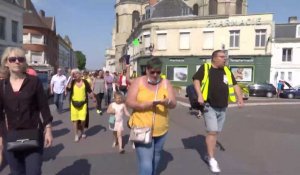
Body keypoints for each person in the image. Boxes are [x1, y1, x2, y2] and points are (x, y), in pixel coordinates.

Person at [0, 47, 53, 175]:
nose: (17, 61)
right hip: (10, 136)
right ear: (6, 63)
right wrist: (1, 138)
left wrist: (48, 130)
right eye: (12, 59)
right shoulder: (2, 86)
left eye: (20, 59)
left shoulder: (34, 82)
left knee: (33, 172)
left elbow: (44, 107)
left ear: (24, 62)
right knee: (16, 172)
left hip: (33, 135)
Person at [193, 50, 244, 173]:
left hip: (223, 107)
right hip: (209, 105)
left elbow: (235, 85)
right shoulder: (205, 68)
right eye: (221, 57)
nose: (224, 59)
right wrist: (199, 95)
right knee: (212, 132)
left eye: (225, 57)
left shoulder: (226, 71)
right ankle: (211, 159)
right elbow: (196, 80)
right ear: (214, 58)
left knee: (216, 133)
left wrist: (240, 98)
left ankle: (208, 155)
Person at [126, 58, 176, 175]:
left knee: (156, 157)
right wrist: (145, 105)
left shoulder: (165, 83)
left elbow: (174, 104)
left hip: (161, 129)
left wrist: (167, 102)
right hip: (141, 127)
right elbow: (129, 102)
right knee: (146, 163)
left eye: (158, 72)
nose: (155, 75)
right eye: (152, 72)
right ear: (147, 70)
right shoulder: (138, 82)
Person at [67, 69, 96, 142]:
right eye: (74, 74)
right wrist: (71, 77)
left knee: (83, 119)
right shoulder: (73, 82)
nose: (76, 75)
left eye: (77, 73)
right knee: (75, 120)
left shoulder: (85, 82)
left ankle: (82, 130)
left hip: (83, 104)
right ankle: (76, 134)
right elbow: (68, 88)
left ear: (80, 74)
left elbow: (89, 91)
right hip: (74, 104)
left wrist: (94, 98)